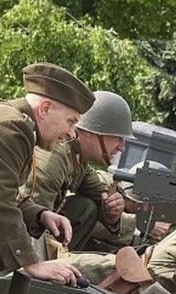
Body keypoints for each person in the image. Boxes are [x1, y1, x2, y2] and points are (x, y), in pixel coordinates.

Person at [0, 62, 95, 294]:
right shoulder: (12, 127)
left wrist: (39, 214)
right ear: (45, 109)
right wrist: (32, 263)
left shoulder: (13, 120)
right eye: (71, 121)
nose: (71, 133)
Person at [29, 90, 131, 256]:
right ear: (90, 133)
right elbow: (30, 219)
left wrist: (112, 211)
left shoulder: (79, 161)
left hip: (31, 231)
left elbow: (101, 198)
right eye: (117, 137)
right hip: (11, 237)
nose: (121, 147)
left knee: (87, 207)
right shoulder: (55, 157)